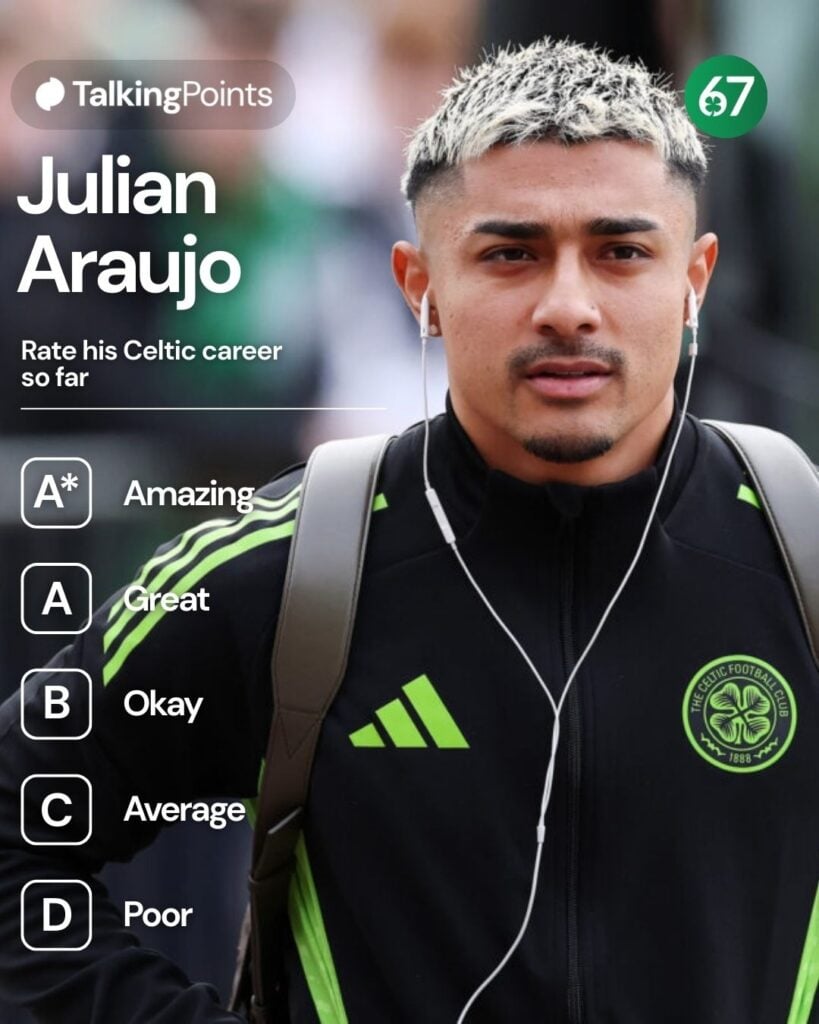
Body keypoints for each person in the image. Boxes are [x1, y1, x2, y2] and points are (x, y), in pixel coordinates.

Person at [1, 36, 817, 1024]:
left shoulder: (796, 556)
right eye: (511, 253)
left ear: (695, 281)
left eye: (621, 251)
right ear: (418, 283)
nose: (567, 305)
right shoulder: (294, 568)